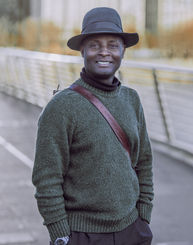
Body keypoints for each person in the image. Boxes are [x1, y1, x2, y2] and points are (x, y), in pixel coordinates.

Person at [32, 7, 154, 245]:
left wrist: (144, 216)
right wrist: (60, 235)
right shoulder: (61, 106)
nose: (104, 52)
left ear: (123, 51)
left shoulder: (132, 99)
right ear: (83, 50)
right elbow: (46, 178)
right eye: (95, 45)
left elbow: (144, 162)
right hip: (82, 235)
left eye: (112, 45)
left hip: (132, 229)